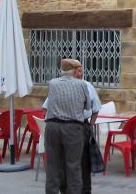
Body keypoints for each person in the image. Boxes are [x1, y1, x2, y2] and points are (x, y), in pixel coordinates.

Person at [43, 60, 101, 194]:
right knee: (73, 167)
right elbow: (88, 107)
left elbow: (47, 106)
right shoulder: (82, 84)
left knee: (52, 167)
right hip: (73, 128)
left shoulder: (52, 83)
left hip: (52, 127)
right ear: (75, 71)